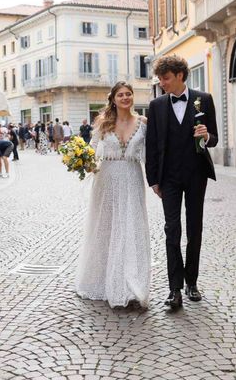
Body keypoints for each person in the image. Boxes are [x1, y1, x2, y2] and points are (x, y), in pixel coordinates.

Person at [145, 55, 218, 309]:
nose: (162, 83)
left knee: (194, 228)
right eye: (160, 78)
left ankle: (192, 282)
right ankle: (174, 289)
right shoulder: (156, 106)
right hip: (169, 178)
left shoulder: (204, 99)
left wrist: (206, 135)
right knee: (171, 230)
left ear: (179, 75)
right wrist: (153, 179)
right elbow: (151, 145)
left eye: (165, 78)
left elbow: (215, 138)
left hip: (196, 174)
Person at [75, 82, 150, 308]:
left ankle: (130, 286)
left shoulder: (144, 123)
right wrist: (83, 162)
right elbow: (91, 149)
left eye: (128, 94)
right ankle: (102, 282)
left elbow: (150, 155)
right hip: (106, 179)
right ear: (114, 98)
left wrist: (158, 181)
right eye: (121, 94)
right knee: (106, 228)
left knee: (131, 228)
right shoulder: (103, 123)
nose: (125, 98)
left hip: (132, 178)